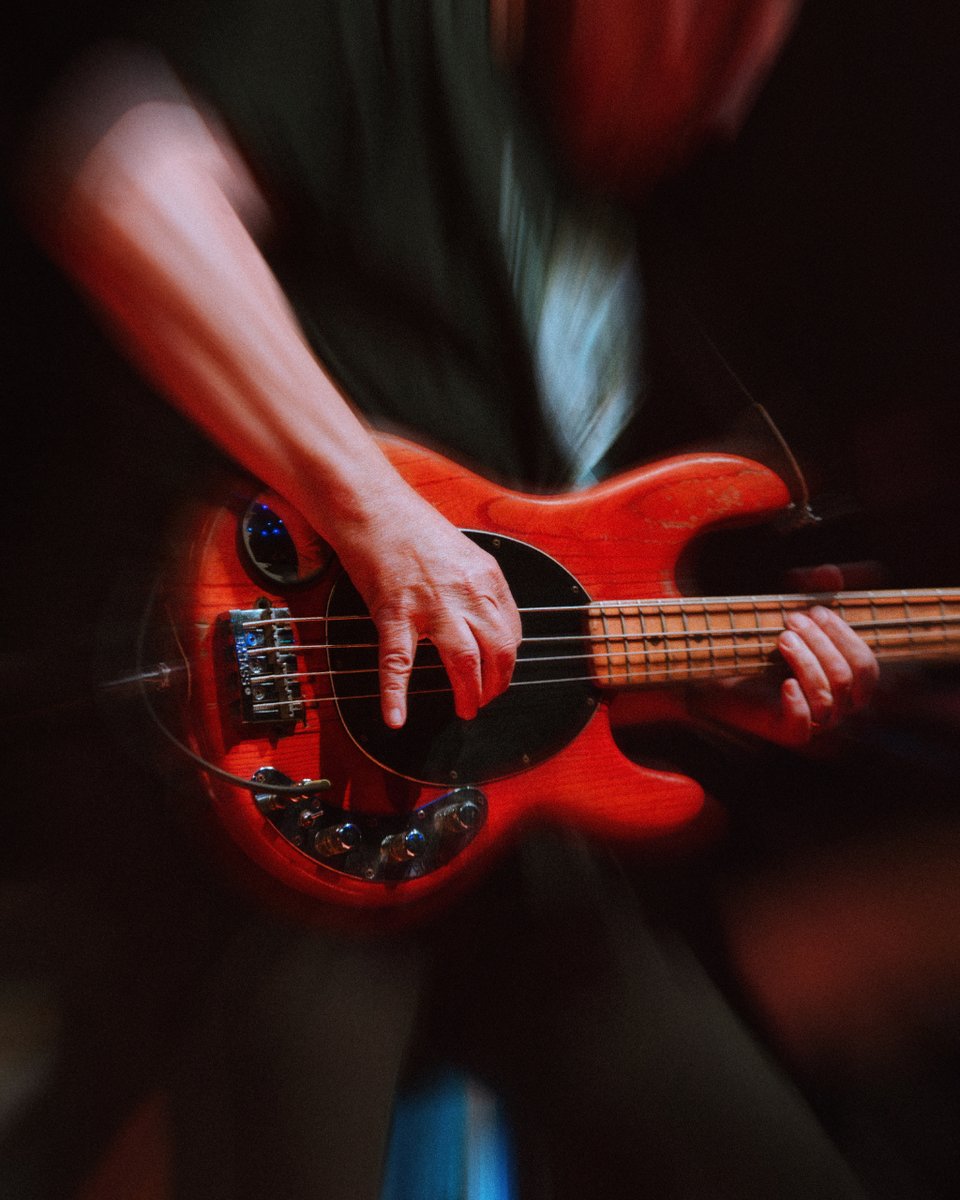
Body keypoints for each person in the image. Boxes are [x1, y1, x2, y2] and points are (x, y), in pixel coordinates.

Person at [12, 2, 881, 1197]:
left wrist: (716, 688)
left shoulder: (607, 223)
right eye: (715, 29)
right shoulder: (397, 33)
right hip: (293, 802)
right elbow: (115, 175)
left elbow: (531, 599)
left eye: (760, 52)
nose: (725, 97)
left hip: (509, 850)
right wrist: (375, 510)